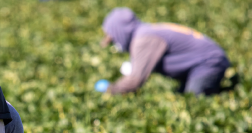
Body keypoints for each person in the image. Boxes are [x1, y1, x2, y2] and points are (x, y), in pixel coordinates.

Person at [96, 7, 230, 96]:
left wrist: (110, 90)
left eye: (113, 40)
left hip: (208, 62)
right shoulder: (145, 32)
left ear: (121, 32)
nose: (115, 44)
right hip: (200, 64)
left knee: (194, 101)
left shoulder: (144, 40)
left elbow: (135, 81)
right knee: (182, 96)